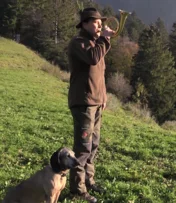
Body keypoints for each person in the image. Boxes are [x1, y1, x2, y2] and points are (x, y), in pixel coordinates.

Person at [67, 7, 114, 203]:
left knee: (93, 145)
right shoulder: (78, 43)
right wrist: (104, 39)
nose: (100, 25)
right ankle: (78, 189)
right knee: (83, 147)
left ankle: (88, 180)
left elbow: (99, 76)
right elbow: (93, 58)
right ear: (85, 24)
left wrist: (103, 98)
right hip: (83, 103)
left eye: (100, 23)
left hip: (96, 102)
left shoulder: (95, 44)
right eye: (96, 22)